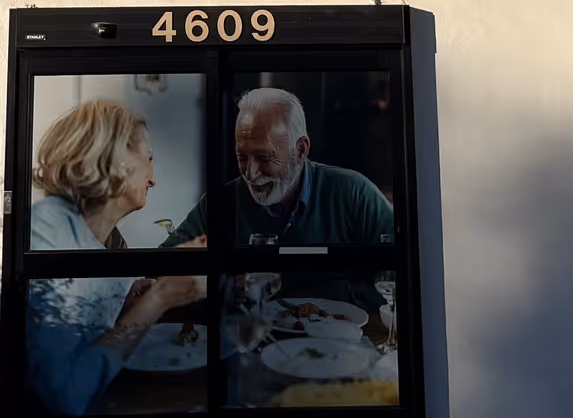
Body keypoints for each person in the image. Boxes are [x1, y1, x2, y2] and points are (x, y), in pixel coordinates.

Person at [25, 98, 207, 415]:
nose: (153, 179)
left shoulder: (112, 241)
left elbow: (89, 333)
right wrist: (159, 298)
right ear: (116, 160)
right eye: (148, 159)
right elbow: (65, 396)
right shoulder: (47, 228)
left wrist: (126, 304)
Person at [166, 88, 393, 248]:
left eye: (264, 157)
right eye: (242, 157)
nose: (250, 174)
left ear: (301, 150)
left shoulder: (354, 194)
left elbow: (406, 265)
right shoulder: (220, 203)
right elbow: (164, 267)